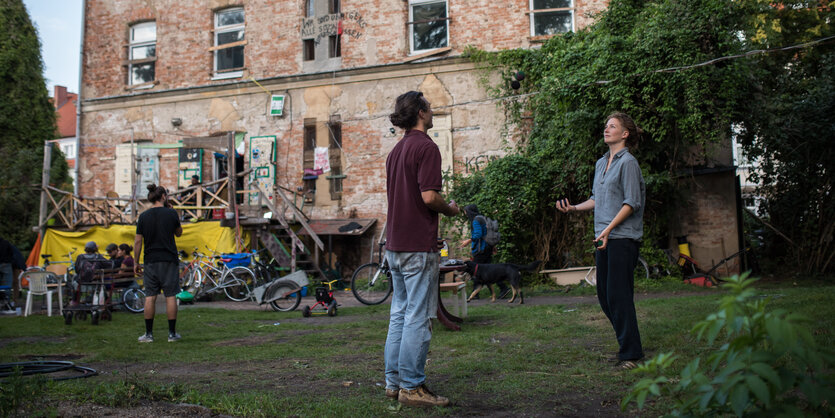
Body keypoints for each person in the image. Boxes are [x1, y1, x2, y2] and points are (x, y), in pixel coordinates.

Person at [383, 91, 459, 408]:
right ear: (420, 111)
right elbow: (429, 197)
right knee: (418, 316)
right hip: (417, 246)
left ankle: (393, 384)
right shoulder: (426, 147)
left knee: (399, 315)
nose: (432, 110)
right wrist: (451, 209)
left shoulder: (395, 152)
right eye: (428, 106)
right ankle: (412, 387)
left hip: (395, 245)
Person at [556, 112, 646, 369]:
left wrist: (609, 230)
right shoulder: (600, 163)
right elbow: (596, 199)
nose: (606, 129)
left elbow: (631, 202)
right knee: (604, 295)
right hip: (602, 236)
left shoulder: (628, 163)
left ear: (625, 134)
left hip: (622, 237)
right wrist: (573, 208)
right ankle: (628, 345)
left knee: (619, 295)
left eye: (613, 126)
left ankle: (631, 353)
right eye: (606, 125)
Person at [135, 184, 183, 343]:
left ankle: (148, 334)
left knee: (150, 296)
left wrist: (136, 262)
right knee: (170, 295)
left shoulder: (143, 216)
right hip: (169, 259)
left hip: (150, 260)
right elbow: (179, 233)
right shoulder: (171, 213)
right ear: (163, 196)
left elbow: (137, 242)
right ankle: (172, 334)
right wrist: (175, 214)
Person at [458, 204, 509, 299]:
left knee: (476, 271)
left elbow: (478, 234)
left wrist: (467, 241)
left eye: (466, 211)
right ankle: (503, 288)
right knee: (489, 271)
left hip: (481, 249)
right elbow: (487, 233)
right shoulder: (482, 218)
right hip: (487, 248)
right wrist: (492, 246)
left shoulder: (475, 220)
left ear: (470, 212)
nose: (465, 213)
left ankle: (476, 294)